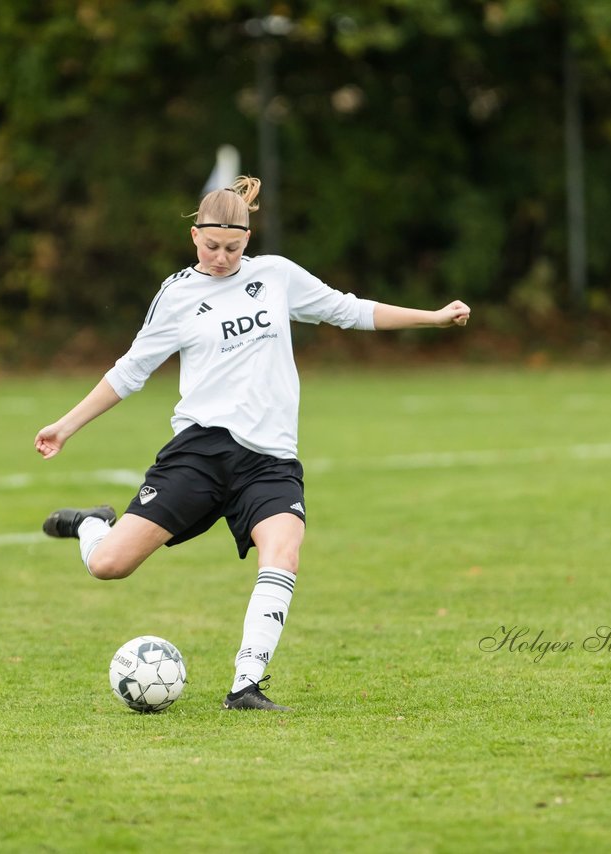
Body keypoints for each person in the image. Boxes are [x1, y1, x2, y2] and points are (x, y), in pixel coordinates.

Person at [34, 176, 470, 712]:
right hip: (200, 454)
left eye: (233, 248)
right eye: (211, 246)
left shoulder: (276, 275)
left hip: (270, 461)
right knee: (108, 565)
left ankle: (246, 686)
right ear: (194, 236)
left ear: (248, 237)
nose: (221, 257)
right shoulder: (177, 295)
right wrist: (66, 425)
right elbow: (130, 372)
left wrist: (431, 316)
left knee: (283, 552)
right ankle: (91, 524)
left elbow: (348, 309)